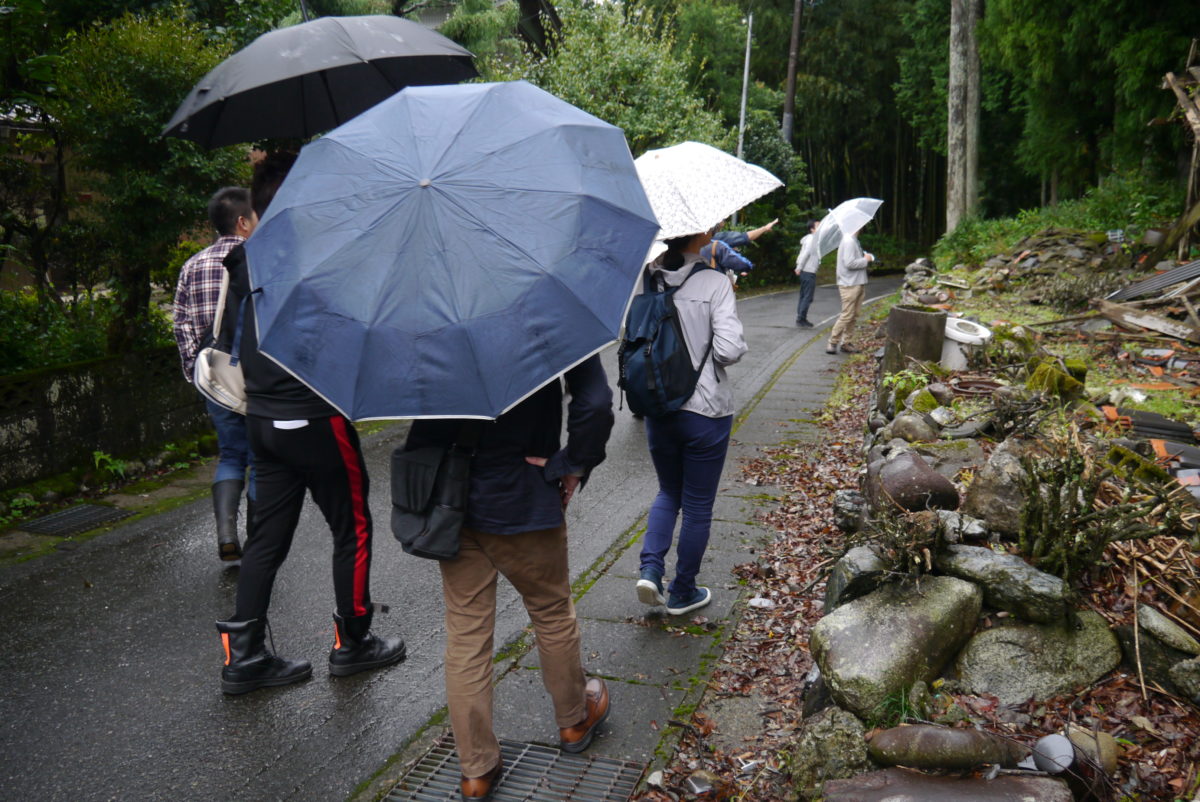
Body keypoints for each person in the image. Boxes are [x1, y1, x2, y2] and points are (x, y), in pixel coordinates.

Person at [213, 152, 406, 695]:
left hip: (262, 420)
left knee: (265, 540)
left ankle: (244, 656)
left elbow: (230, 341)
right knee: (353, 527)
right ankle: (354, 641)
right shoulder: (323, 261)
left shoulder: (246, 262)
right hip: (317, 418)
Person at [402, 355, 615, 802]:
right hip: (523, 490)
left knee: (466, 634)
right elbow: (595, 403)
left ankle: (475, 770)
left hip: (451, 499)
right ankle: (574, 721)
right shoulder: (550, 318)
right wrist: (573, 462)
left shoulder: (423, 325)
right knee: (551, 611)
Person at [636, 230, 748, 617]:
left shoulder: (648, 277)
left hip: (659, 405)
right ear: (698, 233)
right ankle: (682, 591)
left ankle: (650, 570)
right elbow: (728, 350)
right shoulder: (715, 282)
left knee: (668, 492)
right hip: (705, 409)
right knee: (698, 505)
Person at [172, 187, 256, 561]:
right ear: (242, 222)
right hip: (259, 377)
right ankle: (259, 540)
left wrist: (197, 371)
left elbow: (181, 325)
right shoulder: (260, 258)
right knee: (262, 458)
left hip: (216, 379)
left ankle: (226, 534)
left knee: (231, 454)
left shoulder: (192, 266)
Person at [826, 224, 873, 354]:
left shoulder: (854, 240)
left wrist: (863, 257)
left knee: (854, 315)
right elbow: (849, 263)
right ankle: (832, 342)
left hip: (857, 281)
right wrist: (866, 260)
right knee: (847, 315)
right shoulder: (849, 241)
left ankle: (846, 342)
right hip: (849, 283)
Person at [700, 218, 778, 281]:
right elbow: (745, 237)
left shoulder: (695, 241)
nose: (724, 220)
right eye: (722, 218)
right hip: (713, 284)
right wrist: (765, 228)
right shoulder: (718, 239)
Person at [793, 219, 820, 328]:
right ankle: (801, 319)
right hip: (808, 270)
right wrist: (799, 267)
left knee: (804, 295)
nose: (820, 227)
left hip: (807, 270)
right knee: (807, 296)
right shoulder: (812, 239)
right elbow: (806, 253)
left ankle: (801, 317)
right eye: (818, 226)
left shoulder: (812, 239)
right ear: (812, 229)